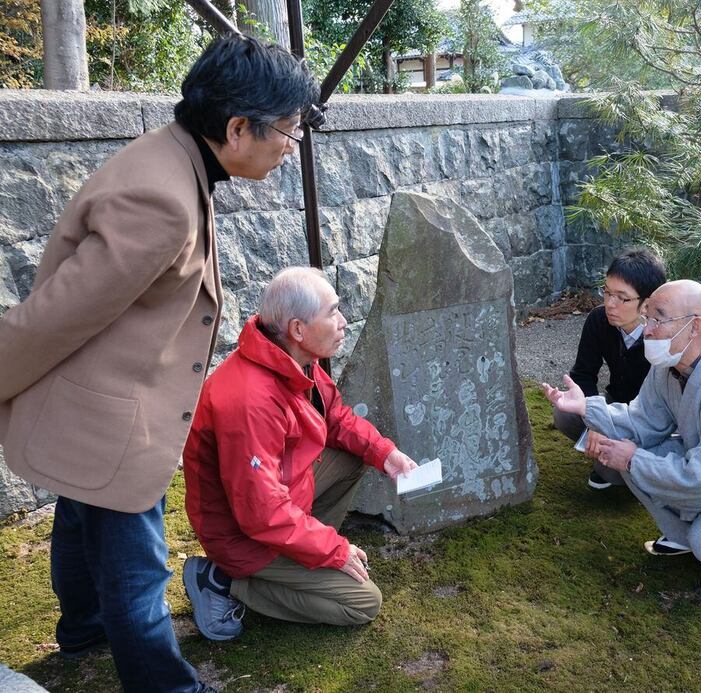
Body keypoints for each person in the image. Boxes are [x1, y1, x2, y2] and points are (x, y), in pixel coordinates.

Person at [0, 36, 320, 692]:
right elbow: (52, 315)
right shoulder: (164, 200)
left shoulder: (170, 160)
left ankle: (83, 628)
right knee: (140, 573)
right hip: (114, 421)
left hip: (93, 406)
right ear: (238, 128)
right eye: (288, 131)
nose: (291, 149)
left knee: (79, 520)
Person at [182, 267, 419, 640]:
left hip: (274, 501)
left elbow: (335, 418)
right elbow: (261, 514)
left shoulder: (293, 359)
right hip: (242, 535)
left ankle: (302, 555)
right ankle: (222, 581)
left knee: (353, 457)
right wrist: (334, 550)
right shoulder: (251, 400)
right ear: (297, 329)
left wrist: (385, 453)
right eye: (332, 312)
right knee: (362, 603)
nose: (343, 322)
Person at [544, 280, 701, 590]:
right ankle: (684, 535)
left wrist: (632, 459)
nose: (647, 329)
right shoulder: (668, 366)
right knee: (631, 454)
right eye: (647, 317)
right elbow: (642, 423)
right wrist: (587, 407)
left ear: (694, 327)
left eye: (658, 319)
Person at [553, 248, 666, 490]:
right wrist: (597, 422)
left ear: (646, 304)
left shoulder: (662, 336)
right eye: (607, 292)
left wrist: (604, 426)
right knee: (564, 412)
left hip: (648, 421)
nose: (610, 304)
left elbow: (661, 412)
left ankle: (631, 471)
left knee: (611, 470)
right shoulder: (598, 320)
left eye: (622, 298)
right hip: (614, 406)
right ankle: (610, 456)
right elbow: (583, 374)